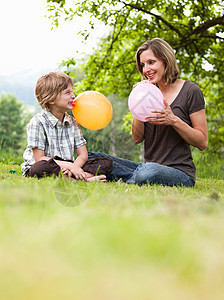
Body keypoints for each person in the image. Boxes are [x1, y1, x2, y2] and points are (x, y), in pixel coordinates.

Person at [88, 38, 208, 187]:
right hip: (146, 166)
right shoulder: (149, 92)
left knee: (148, 172)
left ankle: (124, 176)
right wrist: (138, 102)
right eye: (143, 65)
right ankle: (134, 176)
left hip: (179, 173)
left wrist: (174, 120)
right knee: (91, 157)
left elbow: (202, 142)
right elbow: (137, 138)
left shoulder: (190, 91)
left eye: (151, 62)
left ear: (166, 60)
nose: (146, 70)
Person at [21, 71, 112, 182]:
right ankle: (84, 180)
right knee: (39, 168)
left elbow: (83, 155)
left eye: (72, 91)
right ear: (51, 99)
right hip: (47, 165)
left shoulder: (73, 122)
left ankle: (71, 177)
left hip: (70, 166)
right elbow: (39, 158)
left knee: (106, 162)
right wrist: (70, 167)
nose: (73, 96)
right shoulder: (37, 122)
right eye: (67, 93)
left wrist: (74, 167)